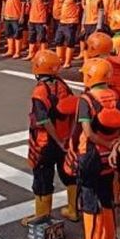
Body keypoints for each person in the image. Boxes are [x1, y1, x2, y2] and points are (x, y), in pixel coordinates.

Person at [71, 57, 120, 239]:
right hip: (110, 157)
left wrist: (104, 144)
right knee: (107, 196)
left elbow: (87, 131)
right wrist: (115, 145)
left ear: (89, 76)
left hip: (91, 155)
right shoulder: (115, 96)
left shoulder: (86, 100)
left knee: (89, 196)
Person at [24, 50, 77, 224]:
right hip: (65, 139)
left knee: (42, 179)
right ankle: (73, 209)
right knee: (69, 174)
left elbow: (43, 119)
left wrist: (57, 139)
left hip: (47, 142)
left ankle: (42, 217)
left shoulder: (40, 91)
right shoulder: (62, 85)